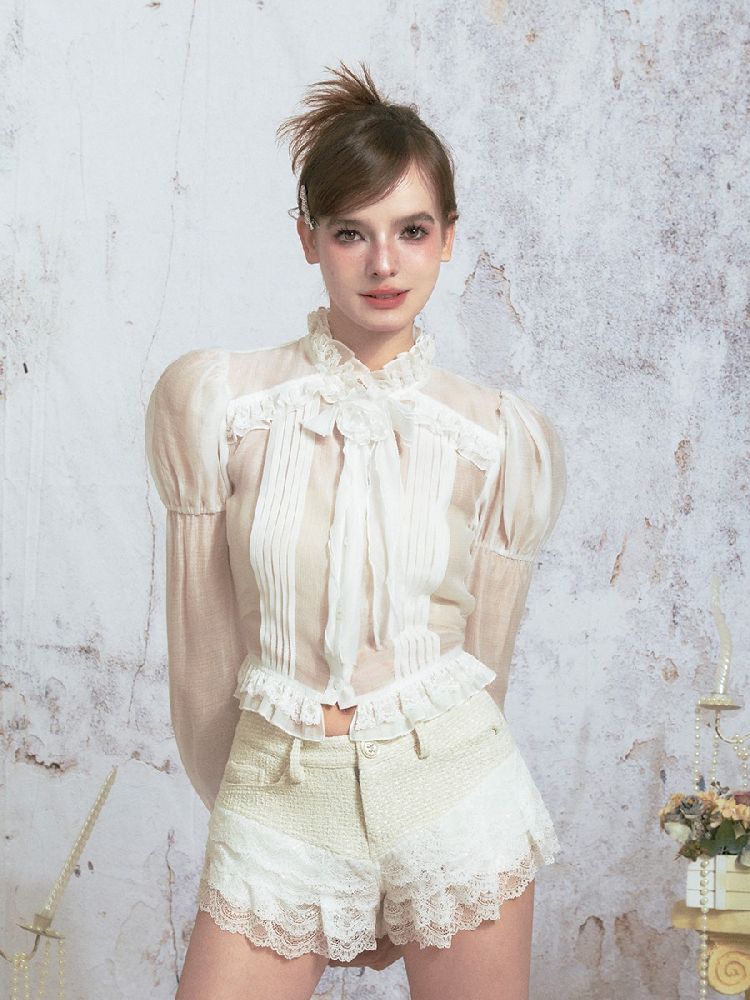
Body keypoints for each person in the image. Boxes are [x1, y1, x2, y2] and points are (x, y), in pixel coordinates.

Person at [145, 60, 566, 1000]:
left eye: (412, 231)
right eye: (351, 233)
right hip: (279, 794)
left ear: (448, 237)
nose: (384, 265)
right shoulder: (219, 404)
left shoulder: (498, 437)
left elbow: (488, 659)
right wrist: (242, 808)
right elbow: (203, 658)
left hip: (454, 792)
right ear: (309, 239)